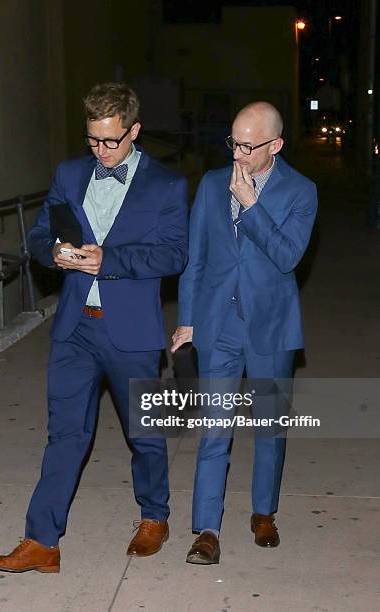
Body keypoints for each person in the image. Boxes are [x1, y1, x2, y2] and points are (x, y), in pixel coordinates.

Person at [0, 82, 188, 573]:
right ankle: (41, 542)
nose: (101, 150)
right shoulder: (70, 174)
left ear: (134, 131)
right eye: (93, 140)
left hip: (132, 331)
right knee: (65, 434)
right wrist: (52, 252)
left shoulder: (166, 185)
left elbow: (174, 253)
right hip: (75, 326)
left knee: (144, 435)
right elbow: (38, 233)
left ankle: (155, 516)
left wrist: (109, 260)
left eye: (111, 141)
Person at [171, 101, 317, 565]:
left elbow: (287, 256)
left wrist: (253, 205)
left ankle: (263, 512)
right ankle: (207, 530)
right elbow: (196, 261)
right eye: (233, 142)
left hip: (271, 326)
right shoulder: (213, 185)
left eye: (248, 146)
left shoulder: (301, 191)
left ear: (275, 145)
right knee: (215, 430)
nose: (237, 154)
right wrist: (187, 320)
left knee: (269, 427)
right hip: (218, 325)